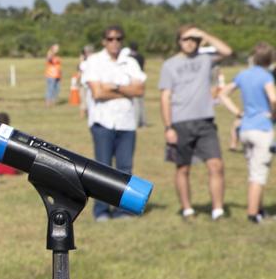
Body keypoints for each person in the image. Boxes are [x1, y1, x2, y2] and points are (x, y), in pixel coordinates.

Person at [160, 25, 233, 219]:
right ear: (178, 41)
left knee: (216, 165)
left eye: (193, 39)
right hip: (180, 122)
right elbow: (165, 97)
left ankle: (218, 210)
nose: (190, 42)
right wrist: (168, 127)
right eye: (185, 39)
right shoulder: (170, 65)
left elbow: (227, 51)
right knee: (183, 168)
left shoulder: (205, 59)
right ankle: (187, 209)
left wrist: (204, 34)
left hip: (205, 122)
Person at [83, 25, 145, 220]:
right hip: (103, 122)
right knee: (102, 168)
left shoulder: (131, 62)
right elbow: (97, 93)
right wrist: (126, 89)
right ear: (104, 41)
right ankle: (101, 210)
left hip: (126, 122)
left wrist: (114, 86)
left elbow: (140, 90)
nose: (115, 42)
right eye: (110, 39)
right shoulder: (94, 61)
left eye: (118, 39)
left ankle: (123, 209)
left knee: (125, 168)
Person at [219, 42, 276, 222]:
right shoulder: (267, 77)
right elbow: (273, 98)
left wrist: (237, 112)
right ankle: (253, 215)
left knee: (253, 170)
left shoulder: (243, 74)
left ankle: (259, 210)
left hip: (245, 129)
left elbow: (222, 94)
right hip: (262, 129)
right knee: (259, 174)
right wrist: (273, 114)